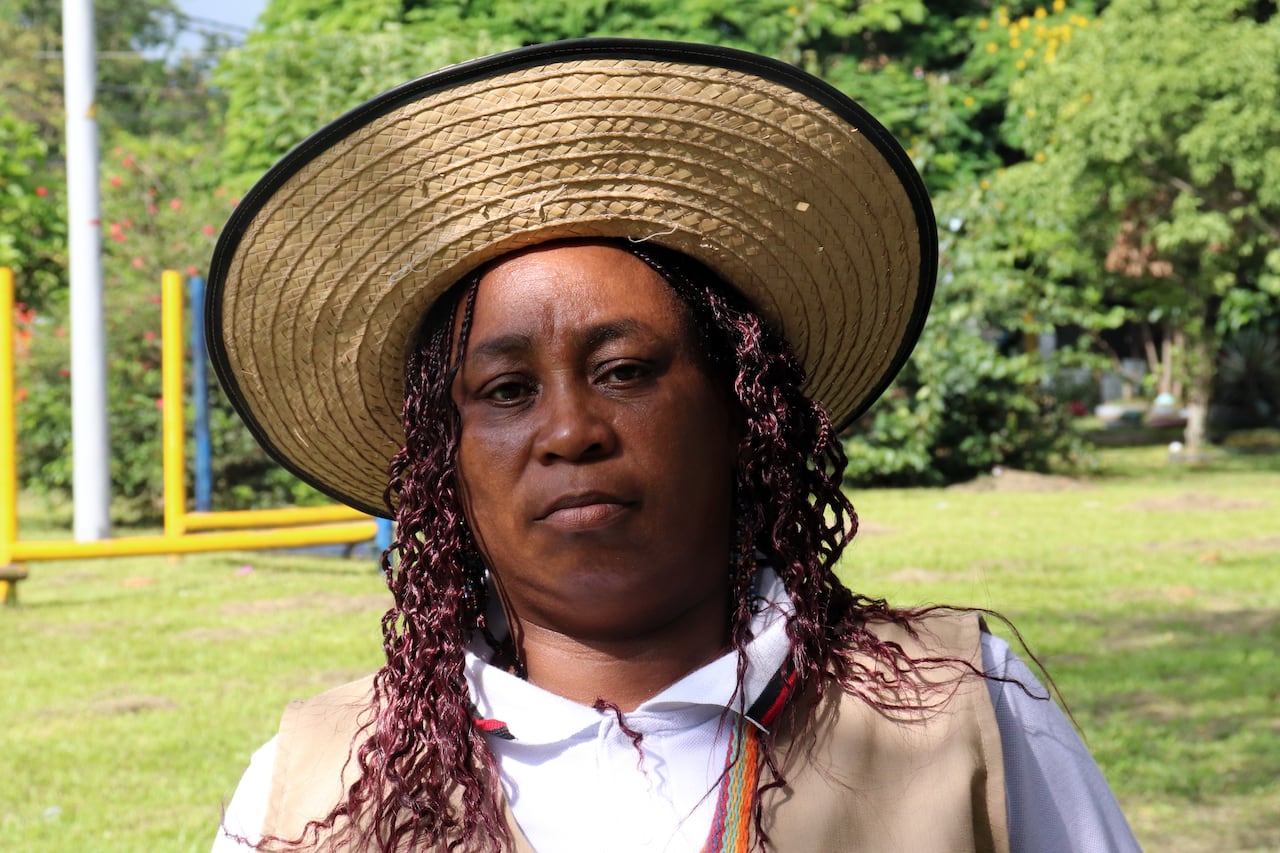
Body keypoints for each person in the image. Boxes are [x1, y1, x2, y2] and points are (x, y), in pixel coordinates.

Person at [208, 39, 1140, 853]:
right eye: (505, 391)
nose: (571, 432)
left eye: (625, 371)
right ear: (443, 465)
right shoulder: (314, 785)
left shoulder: (958, 710)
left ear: (740, 412)